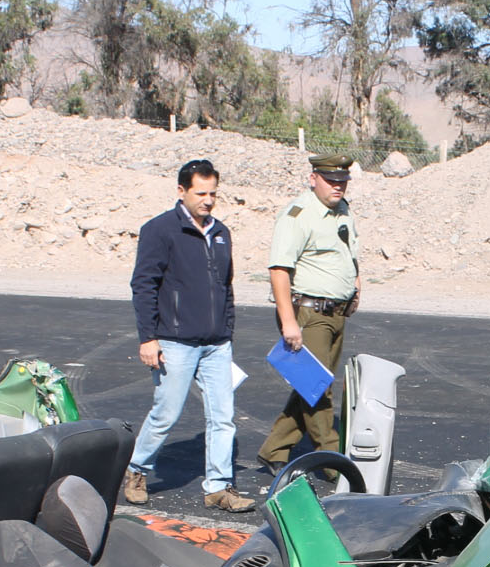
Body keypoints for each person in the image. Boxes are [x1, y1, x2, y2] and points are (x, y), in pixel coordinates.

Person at [123, 158, 255, 513]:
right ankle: (136, 470)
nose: (208, 200)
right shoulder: (161, 230)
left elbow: (225, 286)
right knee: (166, 413)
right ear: (182, 191)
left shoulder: (222, 233)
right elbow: (144, 285)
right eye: (201, 193)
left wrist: (226, 330)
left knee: (223, 416)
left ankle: (218, 487)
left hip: (215, 344)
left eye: (213, 193)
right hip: (174, 342)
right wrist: (148, 338)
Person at [256, 153, 361, 481]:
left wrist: (355, 287)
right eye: (331, 180)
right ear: (313, 178)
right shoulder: (298, 215)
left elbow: (349, 254)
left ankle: (275, 448)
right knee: (317, 388)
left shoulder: (342, 210)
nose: (338, 186)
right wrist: (288, 321)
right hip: (309, 313)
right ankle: (332, 460)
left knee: (311, 384)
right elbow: (279, 270)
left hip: (336, 313)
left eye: (343, 181)